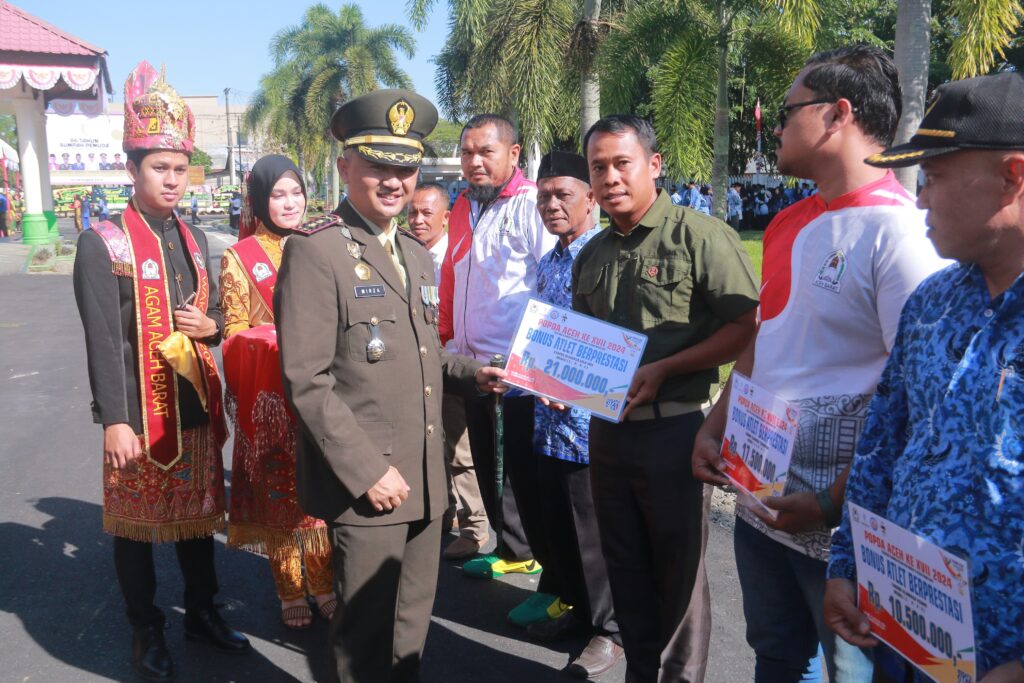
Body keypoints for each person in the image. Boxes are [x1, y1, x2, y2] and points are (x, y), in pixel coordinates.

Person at [691, 44, 947, 683]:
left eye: (788, 111)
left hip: (838, 520)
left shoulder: (901, 236)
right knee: (775, 653)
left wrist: (834, 503)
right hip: (760, 487)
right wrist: (715, 425)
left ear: (837, 114)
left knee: (850, 665)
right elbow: (764, 338)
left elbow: (920, 402)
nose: (774, 126)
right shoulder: (787, 223)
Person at [275, 88, 508, 683]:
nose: (393, 181)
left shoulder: (416, 253)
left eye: (404, 168)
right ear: (344, 165)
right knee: (365, 633)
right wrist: (365, 471)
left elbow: (422, 354)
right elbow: (307, 379)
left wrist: (471, 373)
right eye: (377, 165)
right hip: (372, 482)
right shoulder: (316, 250)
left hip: (425, 476)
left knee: (411, 627)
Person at [824, 71, 1024, 683]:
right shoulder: (933, 302)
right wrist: (847, 564)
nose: (920, 198)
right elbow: (884, 444)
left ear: (1014, 175)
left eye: (933, 177)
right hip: (905, 636)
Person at [72, 61, 250, 683]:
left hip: (193, 402)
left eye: (179, 168)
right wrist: (114, 420)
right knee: (139, 528)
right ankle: (145, 626)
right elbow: (103, 340)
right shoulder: (105, 242)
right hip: (139, 412)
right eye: (158, 168)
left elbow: (217, 312)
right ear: (131, 169)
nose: (171, 180)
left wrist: (217, 328)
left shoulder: (197, 238)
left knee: (198, 519)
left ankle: (202, 610)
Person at [574, 114, 759, 682]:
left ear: (654, 165)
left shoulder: (698, 236)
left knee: (679, 574)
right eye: (598, 167)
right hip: (608, 432)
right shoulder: (593, 253)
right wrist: (559, 383)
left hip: (675, 431)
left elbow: (748, 327)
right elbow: (583, 343)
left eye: (621, 163)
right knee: (624, 564)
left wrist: (666, 368)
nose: (609, 178)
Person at [439, 113, 560, 625]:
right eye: (467, 152)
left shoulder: (533, 205)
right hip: (473, 365)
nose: (474, 162)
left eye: (485, 151)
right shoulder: (464, 205)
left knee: (527, 477)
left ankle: (547, 569)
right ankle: (511, 548)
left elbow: (554, 281)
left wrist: (533, 363)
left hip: (518, 370)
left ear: (513, 154)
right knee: (491, 464)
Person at [219, 154, 337, 631]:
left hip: (324, 392)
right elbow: (234, 332)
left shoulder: (324, 243)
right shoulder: (240, 257)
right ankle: (290, 588)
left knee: (323, 491)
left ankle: (325, 582)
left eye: (296, 192)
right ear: (259, 201)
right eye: (277, 195)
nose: (289, 204)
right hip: (270, 397)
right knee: (278, 493)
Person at [527, 150, 624, 677]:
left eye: (563, 194)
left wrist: (575, 388)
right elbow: (541, 335)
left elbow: (621, 345)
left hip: (590, 427)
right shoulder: (549, 262)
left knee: (594, 535)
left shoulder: (606, 256)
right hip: (546, 421)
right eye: (544, 196)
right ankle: (577, 611)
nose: (552, 205)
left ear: (591, 197)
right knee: (558, 530)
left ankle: (609, 631)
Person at [408, 182, 491, 560]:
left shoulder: (458, 258)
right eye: (413, 212)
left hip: (452, 362)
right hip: (417, 366)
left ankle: (474, 528)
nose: (418, 220)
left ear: (446, 217)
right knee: (428, 445)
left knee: (459, 450)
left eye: (428, 213)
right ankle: (439, 515)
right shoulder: (406, 254)